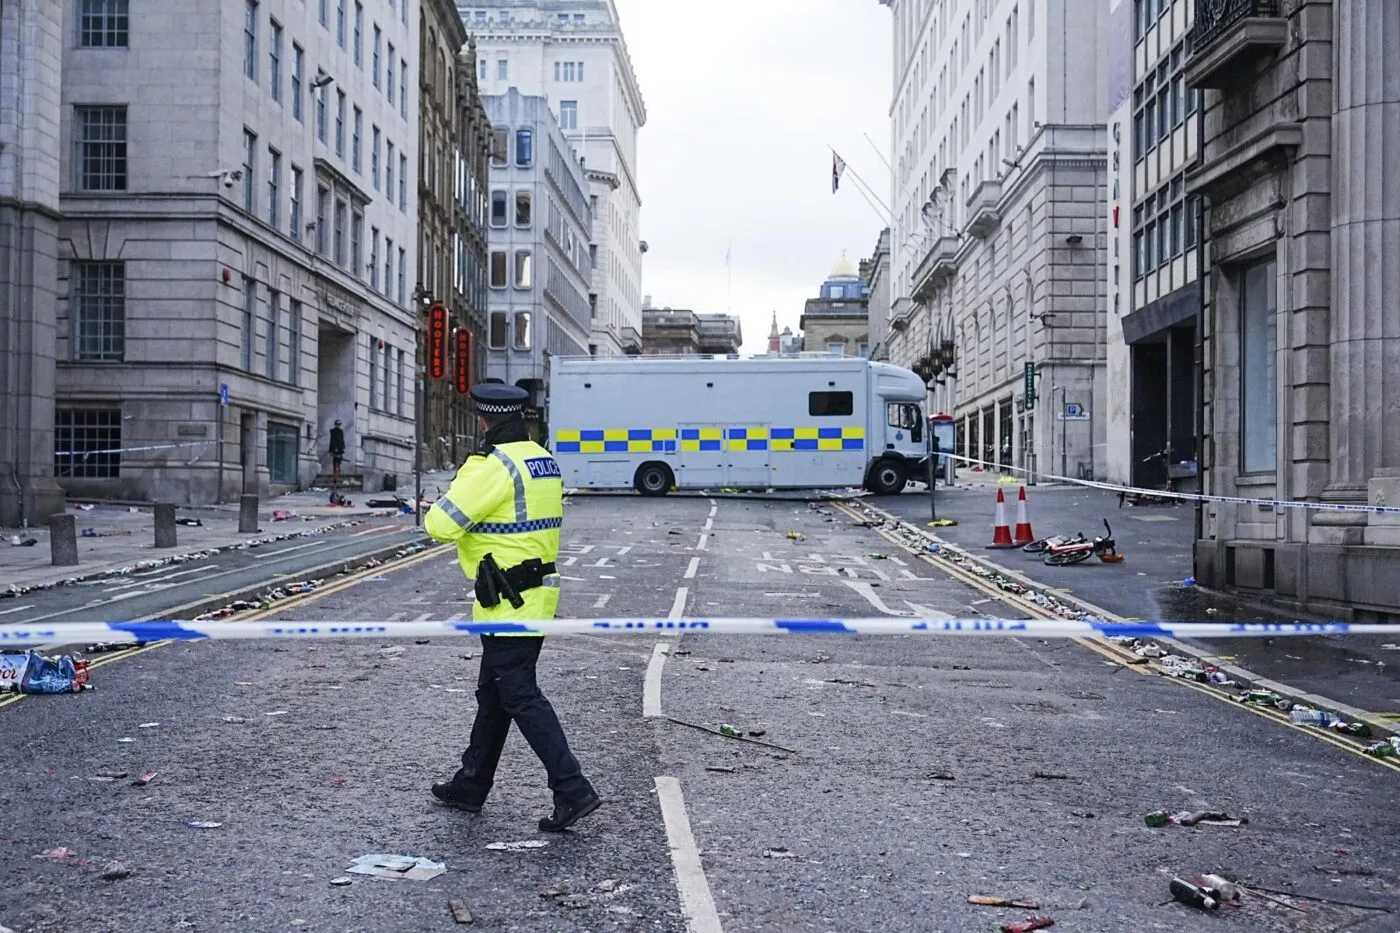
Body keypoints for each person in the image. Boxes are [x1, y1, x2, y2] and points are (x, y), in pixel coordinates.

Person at [423, 384, 601, 832]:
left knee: (518, 693)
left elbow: (440, 524)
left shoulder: (493, 467)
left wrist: (466, 474)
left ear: (484, 420)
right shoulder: (541, 459)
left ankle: (572, 788)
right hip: (534, 591)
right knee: (495, 694)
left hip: (508, 600)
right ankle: (471, 784)